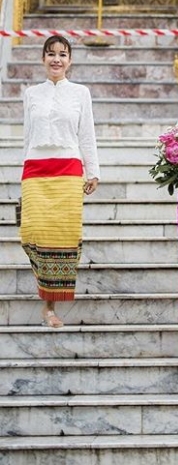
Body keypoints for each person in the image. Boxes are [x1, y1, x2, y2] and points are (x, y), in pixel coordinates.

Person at [20, 35, 100, 329]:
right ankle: (46, 292)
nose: (56, 59)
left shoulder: (80, 93)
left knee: (60, 240)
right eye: (51, 54)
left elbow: (86, 134)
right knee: (30, 234)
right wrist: (22, 171)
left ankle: (49, 307)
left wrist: (94, 171)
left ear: (70, 60)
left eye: (62, 54)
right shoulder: (31, 94)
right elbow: (27, 135)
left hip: (68, 171)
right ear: (42, 58)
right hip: (36, 172)